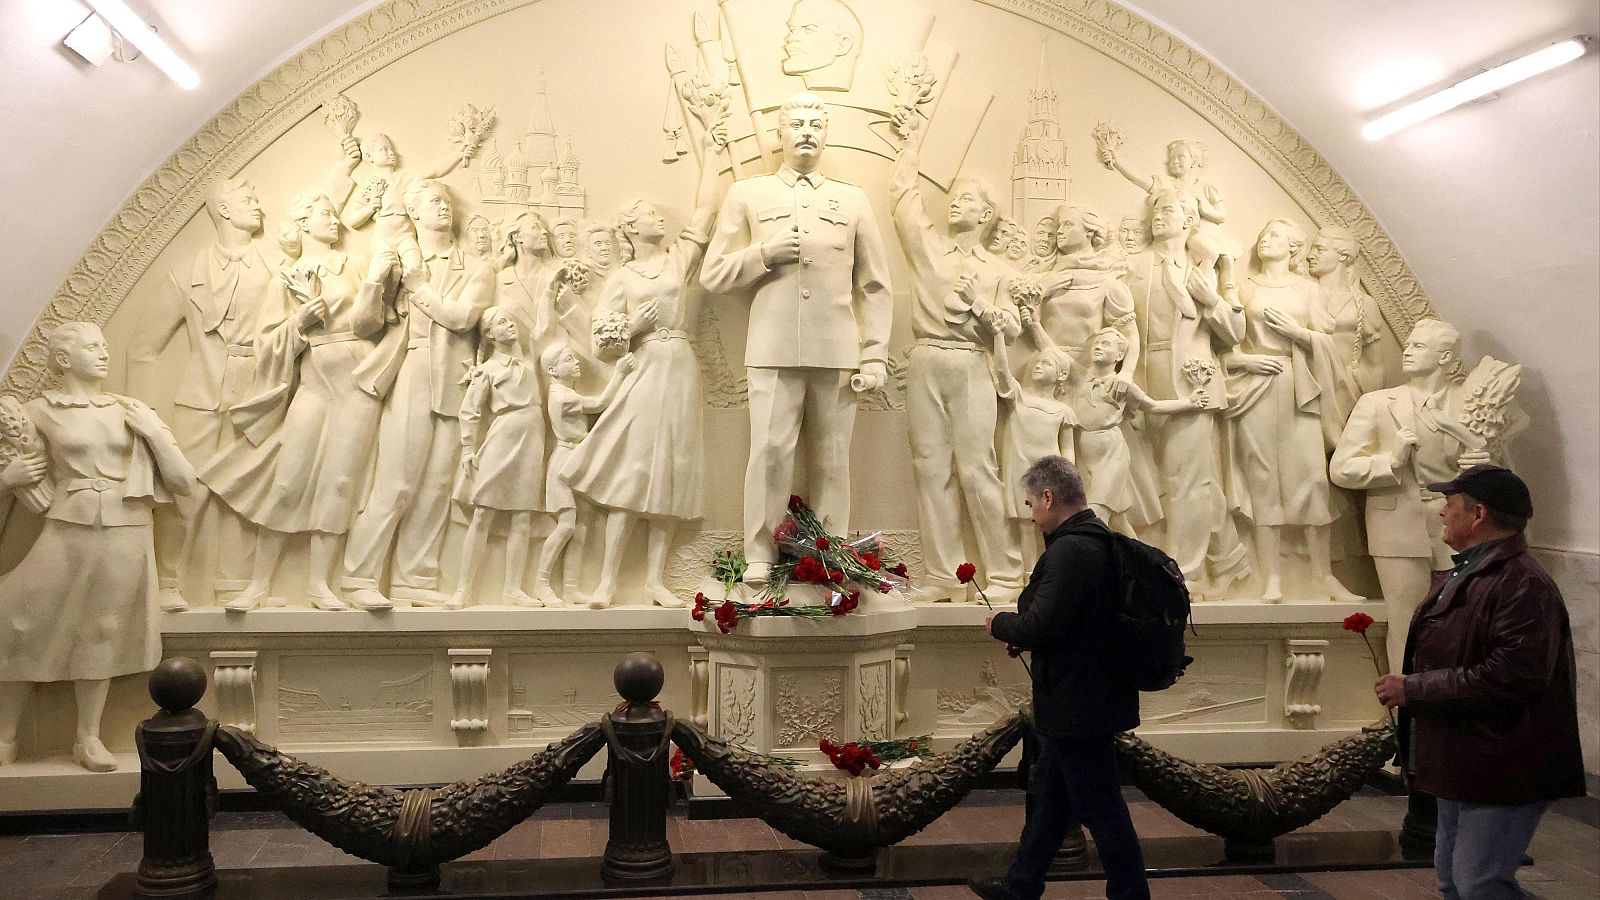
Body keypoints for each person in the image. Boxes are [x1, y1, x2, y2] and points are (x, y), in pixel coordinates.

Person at [700, 92, 892, 589]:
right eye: (797, 123)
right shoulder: (748, 193)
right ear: (779, 134)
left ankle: (829, 554)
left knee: (832, 458)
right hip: (771, 347)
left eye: (815, 123)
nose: (806, 131)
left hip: (837, 350)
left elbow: (874, 284)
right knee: (768, 452)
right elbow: (713, 273)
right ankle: (760, 551)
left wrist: (874, 353)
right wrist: (763, 252)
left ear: (824, 134)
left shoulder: (851, 200)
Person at [1375, 465, 1585, 900]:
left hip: (1505, 761)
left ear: (1478, 514)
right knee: (1456, 880)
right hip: (1466, 756)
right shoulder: (1471, 572)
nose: (1441, 515)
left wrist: (1413, 688)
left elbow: (1513, 676)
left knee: (1481, 884)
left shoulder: (1521, 584)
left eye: (1448, 505)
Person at [0, 323, 197, 772]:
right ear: (63, 359)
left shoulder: (131, 410)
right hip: (65, 523)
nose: (104, 353)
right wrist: (8, 481)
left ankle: (86, 737)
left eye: (106, 345)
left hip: (126, 525)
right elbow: (16, 470)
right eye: (92, 347)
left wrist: (154, 432)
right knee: (21, 619)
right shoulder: (36, 411)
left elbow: (184, 482)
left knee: (103, 629)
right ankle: (5, 734)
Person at [204, 192, 392, 611]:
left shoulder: (357, 266)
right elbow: (266, 344)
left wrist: (376, 281)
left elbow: (374, 323)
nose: (335, 222)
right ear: (304, 222)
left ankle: (319, 584)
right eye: (325, 214)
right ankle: (259, 584)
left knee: (342, 481)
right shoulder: (283, 279)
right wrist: (299, 322)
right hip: (315, 382)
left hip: (358, 380)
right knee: (288, 478)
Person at [565, 125, 728, 608]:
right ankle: (608, 580)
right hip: (644, 368)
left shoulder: (678, 262)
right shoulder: (622, 276)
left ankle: (654, 579)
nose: (660, 220)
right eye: (650, 216)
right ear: (632, 230)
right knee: (633, 470)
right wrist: (634, 324)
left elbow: (705, 213)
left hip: (679, 365)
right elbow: (602, 339)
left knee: (672, 470)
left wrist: (712, 156)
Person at [973, 455, 1149, 900]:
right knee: (1051, 800)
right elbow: (1073, 622)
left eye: (1032, 504)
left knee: (1104, 808)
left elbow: (1039, 625)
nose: (1031, 515)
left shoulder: (1071, 550)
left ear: (1049, 497)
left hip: (1077, 704)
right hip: (1087, 696)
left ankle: (1132, 895)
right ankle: (1020, 886)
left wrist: (999, 625)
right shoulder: (1101, 541)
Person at [889, 109, 1024, 603]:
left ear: (986, 215)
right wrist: (912, 143)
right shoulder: (929, 251)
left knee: (976, 468)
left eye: (966, 199)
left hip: (972, 363)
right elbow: (903, 202)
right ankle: (945, 576)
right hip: (926, 358)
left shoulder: (999, 270)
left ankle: (1007, 574)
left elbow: (1011, 326)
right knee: (931, 468)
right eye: (954, 198)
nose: (954, 205)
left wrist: (982, 304)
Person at [341, 180, 494, 610]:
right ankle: (358, 576)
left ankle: (415, 577)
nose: (443, 208)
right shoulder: (393, 261)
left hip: (455, 380)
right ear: (413, 210)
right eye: (433, 202)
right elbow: (364, 326)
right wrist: (377, 281)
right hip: (412, 368)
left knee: (438, 484)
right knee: (398, 480)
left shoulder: (477, 267)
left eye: (448, 201)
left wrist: (421, 287)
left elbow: (463, 318)